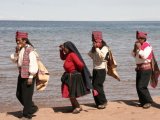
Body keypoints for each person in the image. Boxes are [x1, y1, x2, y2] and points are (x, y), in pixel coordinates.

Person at [10, 31, 38, 119]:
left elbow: (33, 64)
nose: (17, 42)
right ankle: (32, 107)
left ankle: (27, 114)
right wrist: (16, 52)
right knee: (18, 94)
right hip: (21, 75)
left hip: (29, 76)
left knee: (27, 96)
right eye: (16, 40)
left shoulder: (30, 50)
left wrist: (31, 76)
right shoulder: (21, 49)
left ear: (24, 40)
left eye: (19, 40)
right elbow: (14, 60)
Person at [59, 41, 92, 114]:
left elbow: (80, 64)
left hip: (73, 76)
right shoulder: (68, 54)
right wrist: (61, 50)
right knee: (68, 92)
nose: (64, 49)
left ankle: (77, 107)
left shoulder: (72, 55)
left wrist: (76, 71)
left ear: (68, 48)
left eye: (65, 48)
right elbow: (62, 57)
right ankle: (75, 106)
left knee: (72, 93)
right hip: (68, 75)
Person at [132, 31, 153, 109]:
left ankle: (148, 101)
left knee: (142, 86)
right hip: (139, 68)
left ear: (144, 39)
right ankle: (142, 101)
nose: (138, 40)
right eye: (138, 38)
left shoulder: (148, 47)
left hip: (146, 68)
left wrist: (139, 48)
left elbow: (144, 56)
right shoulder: (139, 46)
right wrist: (135, 48)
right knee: (138, 86)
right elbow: (133, 55)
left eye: (140, 39)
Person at [88, 31, 109, 109]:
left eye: (95, 42)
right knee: (94, 86)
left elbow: (101, 57)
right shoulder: (95, 48)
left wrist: (97, 48)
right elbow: (90, 55)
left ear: (100, 41)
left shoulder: (105, 48)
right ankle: (97, 102)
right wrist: (94, 48)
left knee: (98, 86)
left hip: (102, 69)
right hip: (95, 69)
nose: (94, 43)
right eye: (93, 42)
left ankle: (103, 102)